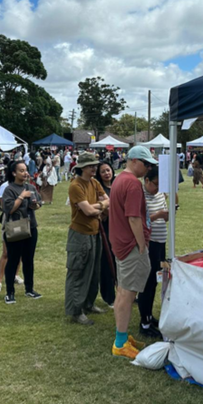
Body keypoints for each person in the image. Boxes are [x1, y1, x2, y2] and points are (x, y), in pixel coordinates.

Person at [109, 145, 157, 359]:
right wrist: (141, 244)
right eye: (146, 164)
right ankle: (120, 342)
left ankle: (122, 335)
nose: (148, 168)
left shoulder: (119, 179)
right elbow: (134, 218)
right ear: (135, 161)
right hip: (130, 245)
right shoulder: (133, 184)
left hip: (120, 243)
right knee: (128, 294)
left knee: (123, 291)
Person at [65, 152, 109, 325]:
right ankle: (76, 311)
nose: (94, 168)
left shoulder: (94, 182)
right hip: (80, 235)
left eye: (95, 165)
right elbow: (88, 211)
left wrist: (97, 206)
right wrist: (100, 207)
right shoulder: (76, 186)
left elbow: (108, 201)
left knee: (94, 271)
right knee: (78, 272)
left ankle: (89, 303)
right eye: (91, 166)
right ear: (82, 168)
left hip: (95, 232)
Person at [2, 161, 43, 304]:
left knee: (28, 260)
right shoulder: (9, 190)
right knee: (13, 260)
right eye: (21, 170)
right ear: (14, 173)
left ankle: (29, 289)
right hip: (16, 228)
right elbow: (9, 209)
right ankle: (9, 292)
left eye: (25, 170)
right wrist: (21, 196)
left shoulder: (31, 187)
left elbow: (38, 204)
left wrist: (35, 204)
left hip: (31, 227)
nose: (25, 173)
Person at [139, 167, 169, 338]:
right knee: (147, 283)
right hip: (149, 243)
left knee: (156, 281)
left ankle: (150, 316)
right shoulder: (141, 196)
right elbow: (139, 220)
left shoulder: (159, 194)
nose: (157, 188)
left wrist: (166, 215)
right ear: (147, 181)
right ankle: (144, 321)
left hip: (160, 242)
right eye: (155, 184)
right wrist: (158, 215)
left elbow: (163, 215)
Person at [95, 161, 117, 307]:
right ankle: (109, 297)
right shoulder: (99, 189)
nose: (106, 173)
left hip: (120, 228)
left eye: (108, 170)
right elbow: (104, 211)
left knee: (120, 262)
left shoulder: (117, 185)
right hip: (105, 228)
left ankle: (123, 293)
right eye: (103, 171)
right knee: (107, 262)